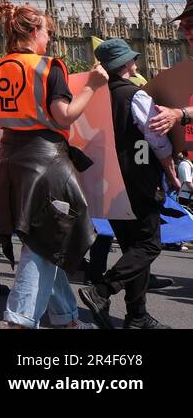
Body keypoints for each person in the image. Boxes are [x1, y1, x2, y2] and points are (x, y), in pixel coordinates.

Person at [0, 3, 101, 329]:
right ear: (34, 32)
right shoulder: (49, 67)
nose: (49, 38)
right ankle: (21, 318)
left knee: (49, 238)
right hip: (46, 161)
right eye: (48, 32)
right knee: (45, 239)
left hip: (10, 160)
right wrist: (92, 85)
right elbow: (65, 115)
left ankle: (65, 318)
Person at [76, 38, 176, 329]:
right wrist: (170, 171)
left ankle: (137, 315)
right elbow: (156, 139)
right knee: (149, 244)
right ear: (125, 65)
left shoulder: (93, 97)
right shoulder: (136, 96)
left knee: (133, 246)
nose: (136, 63)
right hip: (137, 178)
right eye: (133, 59)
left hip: (108, 180)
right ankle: (102, 290)